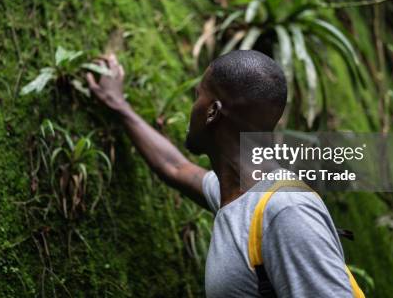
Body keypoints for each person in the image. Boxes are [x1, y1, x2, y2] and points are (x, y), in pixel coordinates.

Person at [86, 50, 355, 297]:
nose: (191, 108)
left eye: (197, 97)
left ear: (212, 111)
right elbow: (176, 168)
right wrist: (119, 105)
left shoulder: (285, 210)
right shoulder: (239, 197)